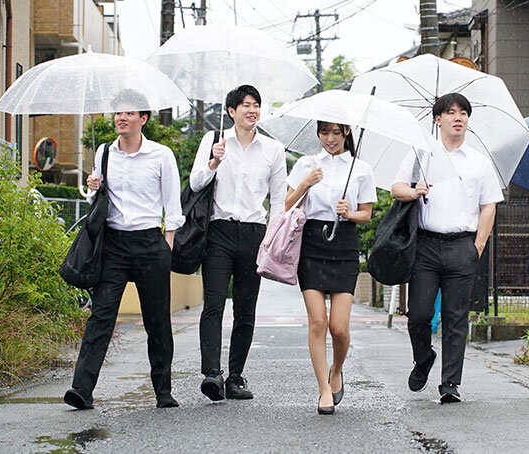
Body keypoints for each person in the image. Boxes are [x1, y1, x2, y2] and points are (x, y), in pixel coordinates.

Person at [64, 89, 184, 410]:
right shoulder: (104, 152)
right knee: (101, 316)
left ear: (143, 119)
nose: (122, 117)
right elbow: (96, 201)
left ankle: (163, 391)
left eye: (129, 113)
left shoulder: (161, 155)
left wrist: (167, 243)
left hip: (150, 244)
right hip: (114, 245)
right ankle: (82, 389)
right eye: (118, 112)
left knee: (157, 321)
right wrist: (92, 187)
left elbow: (172, 205)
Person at [391, 93, 503, 404]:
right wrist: (414, 191)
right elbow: (396, 188)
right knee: (418, 315)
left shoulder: (479, 162)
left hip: (463, 245)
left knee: (456, 317)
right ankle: (424, 357)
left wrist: (478, 246)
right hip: (426, 245)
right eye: (451, 112)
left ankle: (450, 383)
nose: (458, 118)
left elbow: (489, 205)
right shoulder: (421, 155)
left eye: (463, 113)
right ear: (437, 119)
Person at [189, 84, 287, 401]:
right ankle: (212, 373)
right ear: (231, 111)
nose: (252, 110)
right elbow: (195, 183)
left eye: (256, 104)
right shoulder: (214, 140)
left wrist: (272, 239)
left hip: (254, 233)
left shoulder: (273, 150)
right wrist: (213, 162)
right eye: (245, 104)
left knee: (246, 308)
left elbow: (278, 200)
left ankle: (235, 378)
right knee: (214, 304)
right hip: (218, 231)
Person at [285, 121, 376, 415]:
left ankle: (336, 370)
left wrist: (350, 213)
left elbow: (367, 213)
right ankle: (324, 388)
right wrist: (305, 184)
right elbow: (286, 204)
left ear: (346, 132)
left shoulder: (361, 169)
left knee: (339, 327)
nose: (330, 139)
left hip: (345, 245)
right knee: (317, 322)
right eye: (324, 132)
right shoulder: (307, 164)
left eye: (336, 132)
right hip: (311, 244)